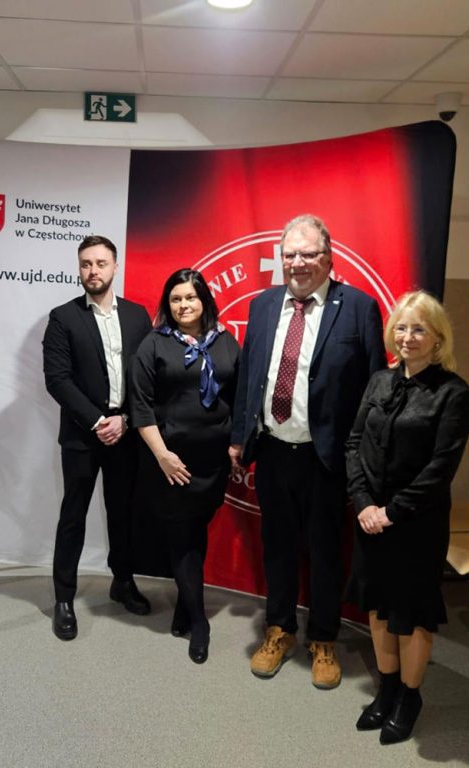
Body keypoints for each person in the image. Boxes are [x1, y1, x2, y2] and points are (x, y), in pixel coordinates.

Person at [229, 214, 384, 689]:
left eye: (308, 254)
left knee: (324, 552)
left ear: (328, 258)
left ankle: (323, 638)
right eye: (290, 254)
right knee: (277, 547)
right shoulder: (262, 305)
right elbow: (248, 375)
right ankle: (279, 630)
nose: (298, 263)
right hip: (274, 451)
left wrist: (364, 457)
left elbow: (374, 387)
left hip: (326, 457)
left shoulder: (358, 308)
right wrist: (239, 434)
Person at [345, 290, 469, 745]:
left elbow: (442, 467)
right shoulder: (379, 381)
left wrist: (391, 513)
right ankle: (387, 689)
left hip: (417, 524)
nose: (408, 336)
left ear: (438, 338)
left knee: (411, 612)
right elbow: (354, 443)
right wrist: (364, 504)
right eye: (401, 327)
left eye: (419, 329)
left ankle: (410, 697)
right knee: (378, 605)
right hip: (370, 518)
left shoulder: (453, 392)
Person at [42, 234, 153, 641]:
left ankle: (122, 582)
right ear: (79, 268)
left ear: (115, 267)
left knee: (122, 513)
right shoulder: (62, 317)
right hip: (81, 437)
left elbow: (146, 379)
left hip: (126, 433)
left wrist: (124, 420)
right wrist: (97, 421)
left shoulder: (138, 316)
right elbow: (57, 380)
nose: (93, 271)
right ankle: (63, 599)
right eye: (86, 263)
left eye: (101, 263)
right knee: (73, 516)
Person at [131, 269, 240, 664]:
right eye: (175, 299)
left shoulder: (225, 341)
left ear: (204, 300)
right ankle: (198, 620)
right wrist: (162, 455)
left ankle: (184, 603)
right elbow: (140, 405)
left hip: (213, 461)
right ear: (168, 304)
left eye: (190, 298)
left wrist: (235, 444)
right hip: (172, 462)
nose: (183, 305)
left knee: (196, 531)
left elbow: (238, 394)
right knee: (182, 538)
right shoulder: (154, 344)